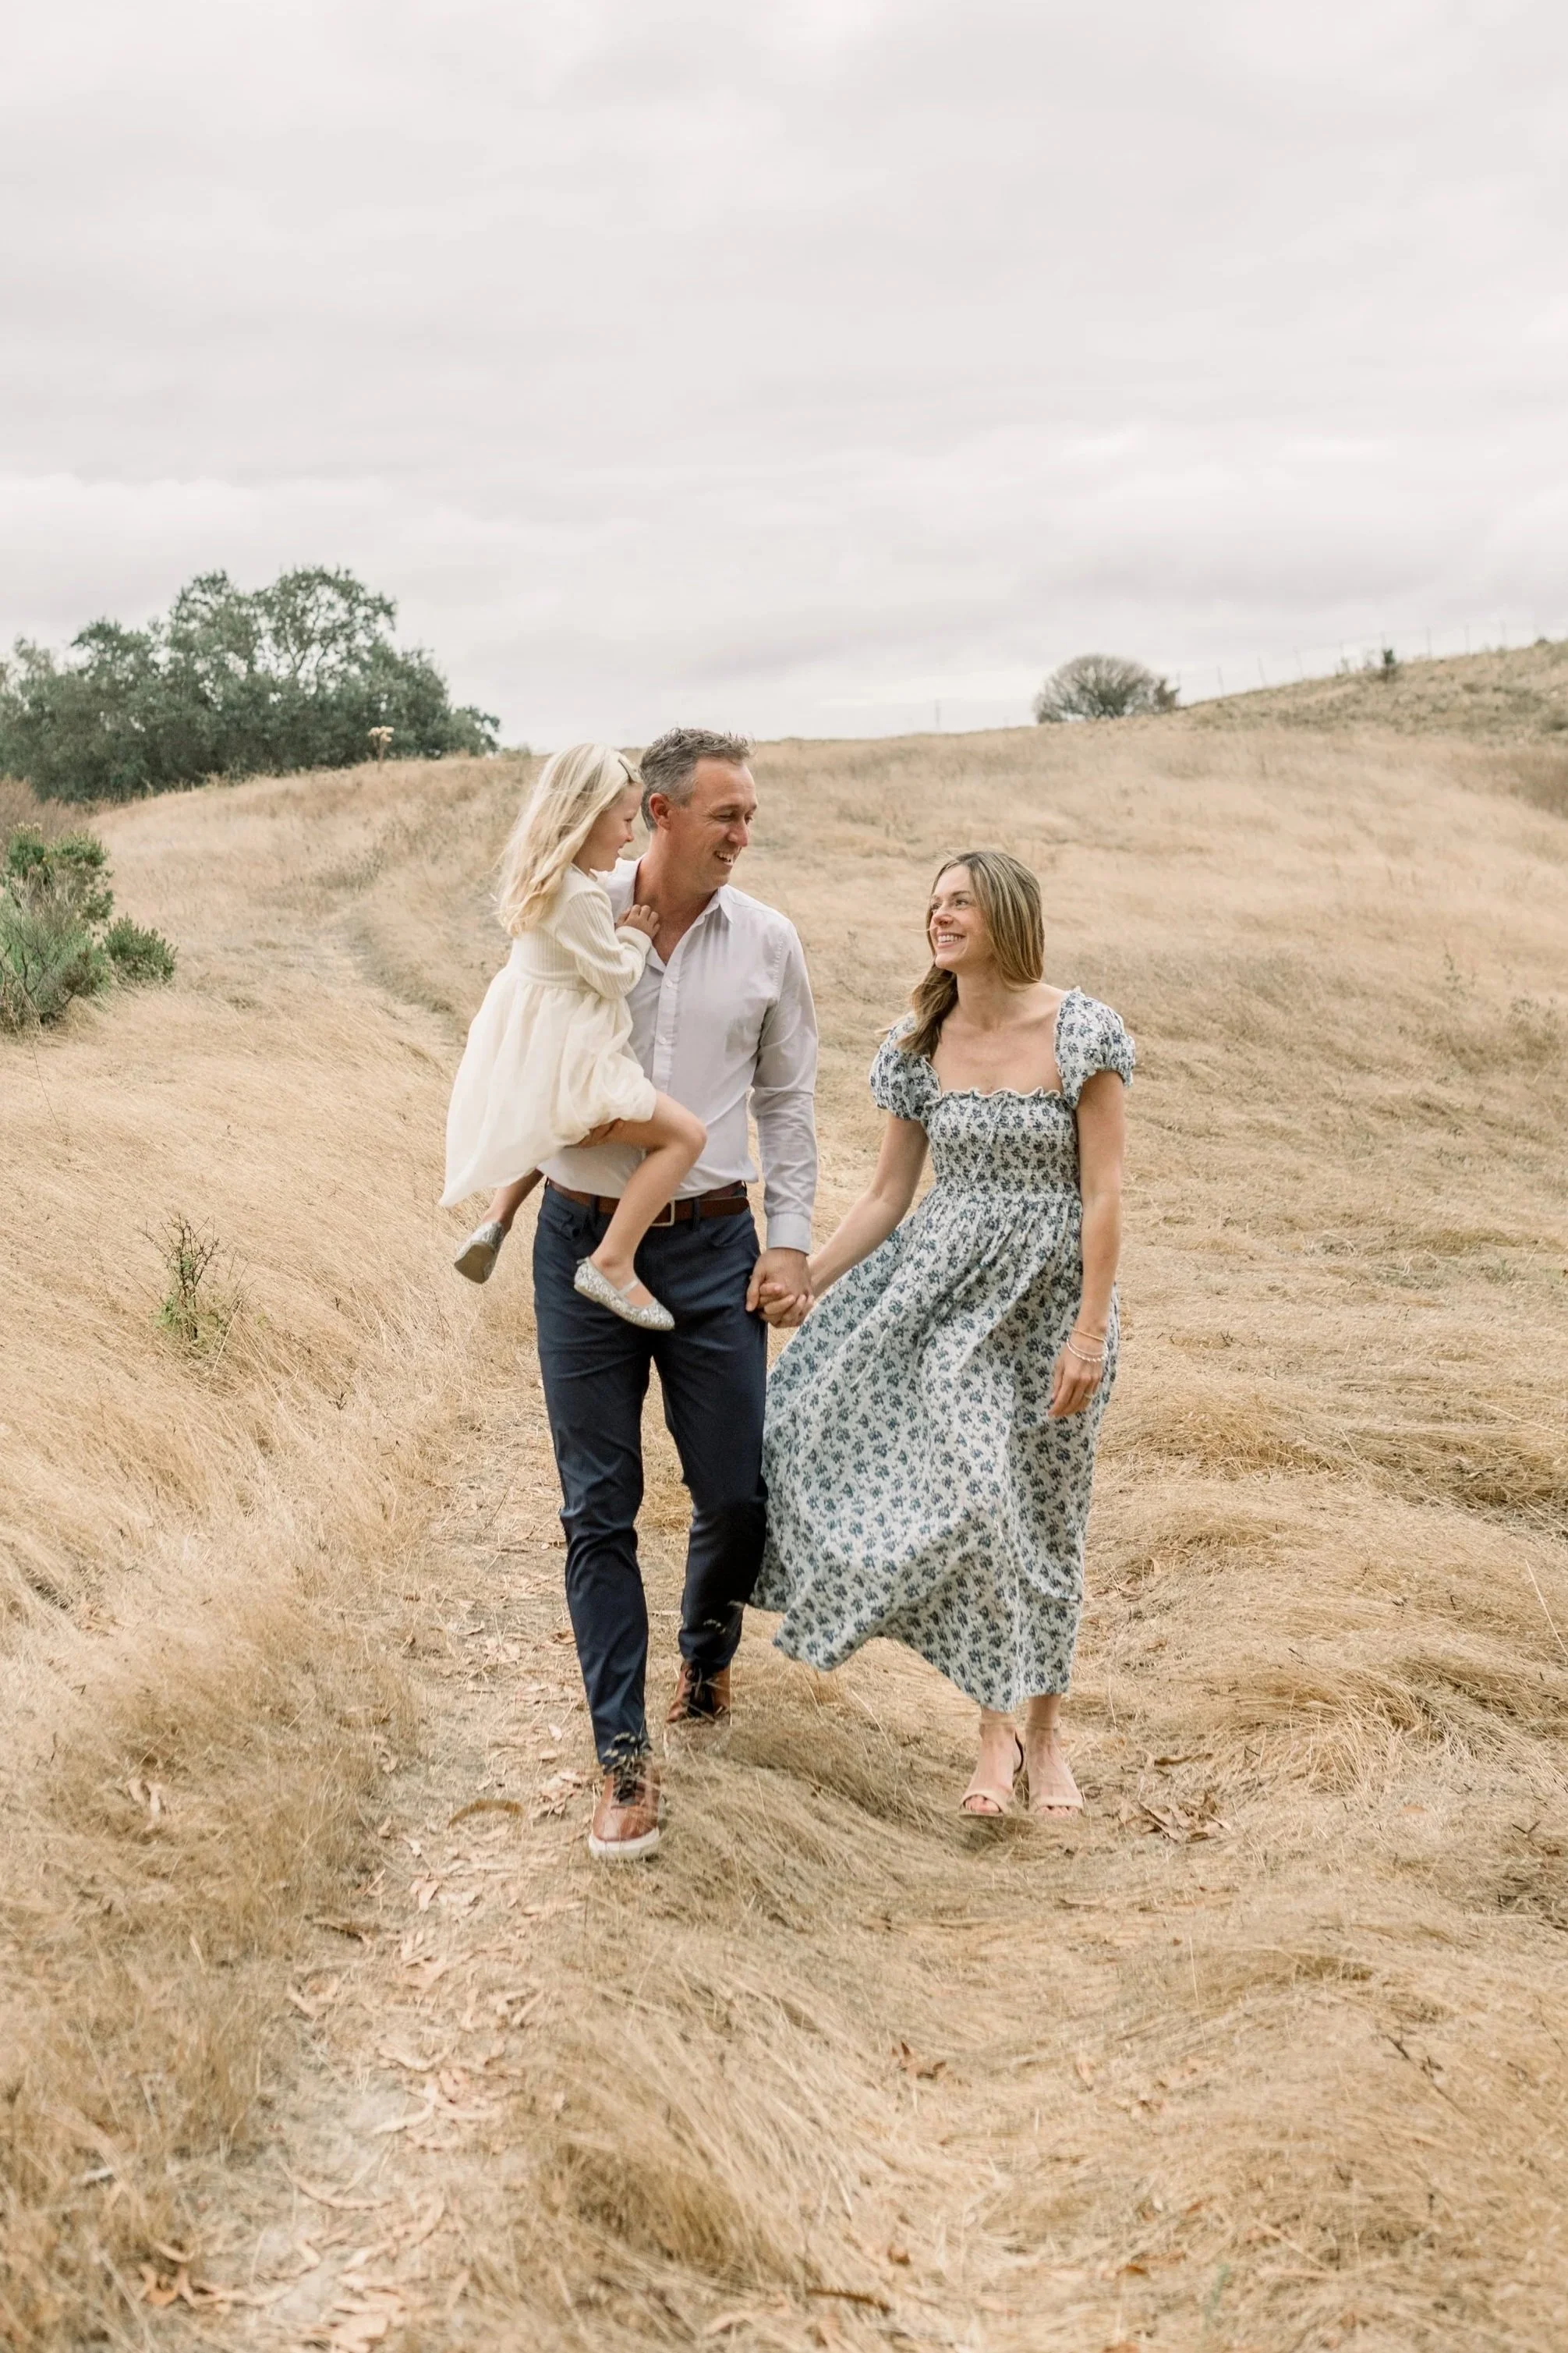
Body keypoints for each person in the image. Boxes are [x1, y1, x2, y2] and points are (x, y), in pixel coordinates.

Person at [753, 850, 1132, 1820]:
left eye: (958, 901)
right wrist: (805, 1276)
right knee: (978, 1496)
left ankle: (1042, 1739)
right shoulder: (919, 1039)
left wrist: (1089, 1332)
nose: (939, 917)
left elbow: (1104, 1194)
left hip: (1052, 1305)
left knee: (1046, 1516)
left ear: (1004, 913)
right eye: (932, 905)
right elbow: (888, 1194)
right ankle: (991, 1729)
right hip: (946, 1301)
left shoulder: (1082, 1030)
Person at [531, 727, 817, 1861]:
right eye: (724, 816)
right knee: (596, 1504)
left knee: (736, 1489)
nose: (744, 835)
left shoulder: (769, 942)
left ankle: (704, 1650)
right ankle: (621, 1758)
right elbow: (526, 1047)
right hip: (579, 1239)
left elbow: (788, 1099)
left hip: (712, 1249)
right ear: (656, 812)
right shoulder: (580, 913)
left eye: (749, 815)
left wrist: (787, 1241)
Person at [442, 744, 706, 1331]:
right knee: (685, 1137)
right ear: (585, 818)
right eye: (620, 821)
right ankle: (611, 1260)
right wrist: (634, 935)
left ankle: (496, 1215)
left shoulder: (540, 879)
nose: (627, 838)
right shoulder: (581, 895)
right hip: (574, 1053)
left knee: (546, 1124)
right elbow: (612, 978)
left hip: (532, 1046)